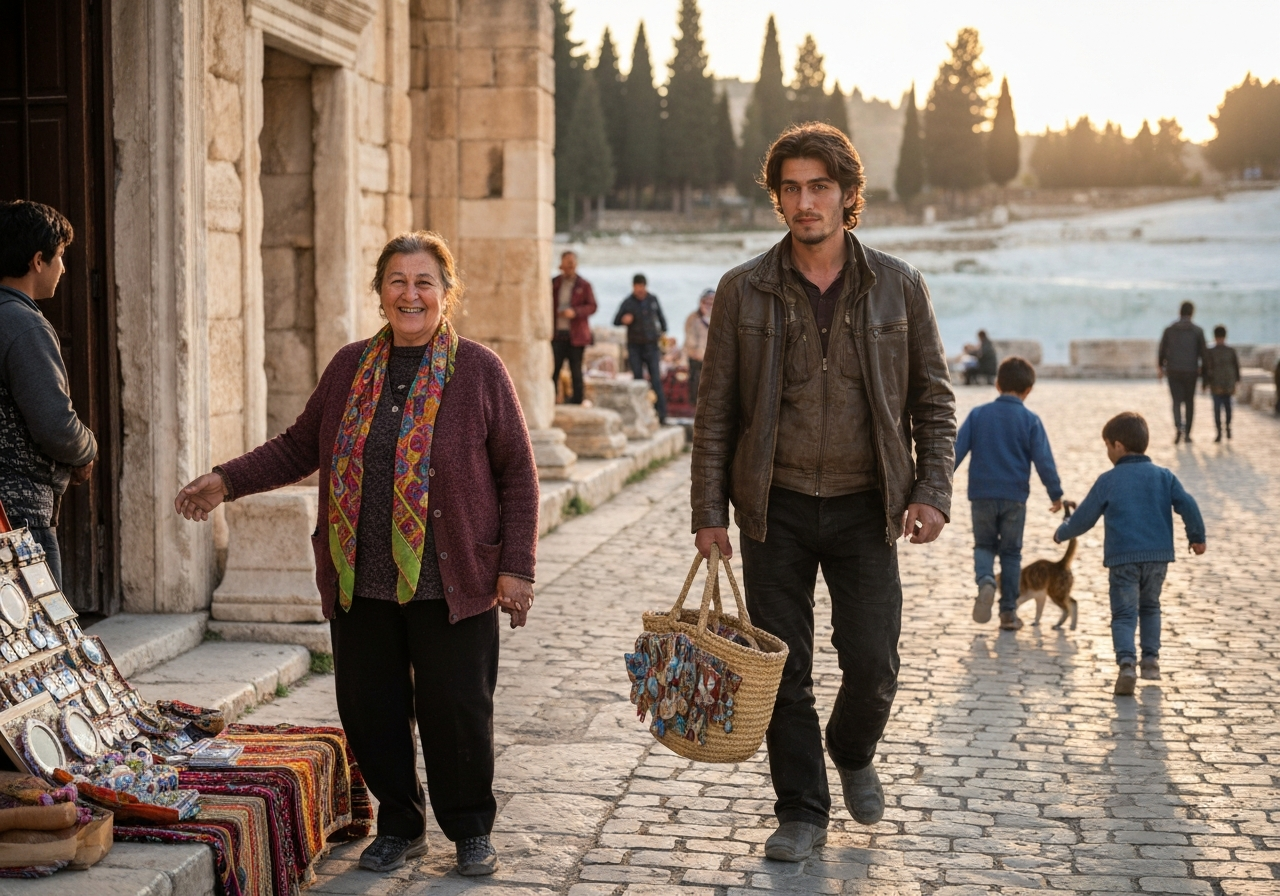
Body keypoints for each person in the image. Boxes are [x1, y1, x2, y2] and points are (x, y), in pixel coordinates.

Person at [174, 232, 538, 877]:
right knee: (371, 711)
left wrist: (515, 568)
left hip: (451, 580)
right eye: (397, 281)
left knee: (457, 712)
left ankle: (470, 830)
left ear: (447, 293)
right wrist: (226, 481)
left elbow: (518, 475)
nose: (410, 294)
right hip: (360, 578)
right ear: (379, 292)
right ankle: (399, 824)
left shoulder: (479, 370)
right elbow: (298, 446)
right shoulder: (349, 368)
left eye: (424, 282)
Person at [691, 123, 955, 861]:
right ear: (778, 199)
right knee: (784, 668)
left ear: (847, 194)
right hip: (771, 509)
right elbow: (715, 412)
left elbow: (934, 400)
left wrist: (932, 489)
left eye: (819, 187)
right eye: (791, 189)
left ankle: (852, 746)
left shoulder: (899, 286)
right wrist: (709, 513)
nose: (805, 202)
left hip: (867, 506)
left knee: (873, 661)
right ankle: (802, 811)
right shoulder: (742, 289)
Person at [1053, 412, 1205, 695]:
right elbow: (1188, 504)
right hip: (1158, 557)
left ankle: (1126, 664)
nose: (1108, 452)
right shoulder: (1164, 476)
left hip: (1123, 559)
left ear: (1118, 445)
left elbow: (1085, 517)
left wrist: (1062, 532)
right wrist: (1197, 538)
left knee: (1123, 613)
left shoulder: (1108, 480)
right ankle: (1151, 661)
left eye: (1107, 446)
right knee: (1151, 606)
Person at [0, 200, 97, 587]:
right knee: (36, 623)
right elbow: (55, 426)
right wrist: (87, 450)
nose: (63, 268)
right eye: (59, 257)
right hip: (18, 517)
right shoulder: (23, 325)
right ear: (38, 261)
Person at [954, 357, 1064, 631]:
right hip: (1015, 498)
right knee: (1011, 553)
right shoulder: (1030, 420)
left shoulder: (978, 415)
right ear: (1028, 390)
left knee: (983, 545)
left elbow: (955, 452)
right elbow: (1044, 461)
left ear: (997, 384)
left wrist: (937, 483)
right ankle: (1008, 613)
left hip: (981, 495)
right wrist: (1055, 494)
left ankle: (986, 581)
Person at [614, 274, 669, 423]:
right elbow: (616, 320)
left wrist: (663, 336)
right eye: (636, 287)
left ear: (645, 286)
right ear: (633, 287)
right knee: (637, 380)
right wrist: (624, 320)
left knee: (656, 380)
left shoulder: (652, 300)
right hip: (635, 346)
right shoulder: (628, 302)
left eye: (641, 286)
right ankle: (639, 416)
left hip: (651, 345)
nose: (639, 289)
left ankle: (662, 415)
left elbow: (662, 320)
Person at [550, 250, 597, 404]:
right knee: (553, 369)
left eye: (572, 263)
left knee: (576, 370)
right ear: (561, 265)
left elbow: (592, 306)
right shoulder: (554, 283)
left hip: (576, 335)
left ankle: (577, 400)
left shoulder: (584, 285)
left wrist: (575, 312)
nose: (570, 266)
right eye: (567, 263)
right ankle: (552, 399)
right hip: (557, 333)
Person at [1158, 301, 1206, 443]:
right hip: (1191, 371)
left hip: (1173, 370)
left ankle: (1179, 426)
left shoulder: (1169, 329)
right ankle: (1188, 433)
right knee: (1190, 402)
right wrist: (1205, 375)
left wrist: (1161, 367)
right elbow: (1204, 354)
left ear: (1180, 312)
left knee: (1176, 401)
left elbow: (1162, 350)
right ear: (1192, 313)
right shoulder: (1197, 331)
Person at [1202, 325, 1240, 442]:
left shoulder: (1211, 351)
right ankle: (1223, 429)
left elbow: (1206, 369)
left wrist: (1205, 383)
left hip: (1218, 385)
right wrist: (1236, 381)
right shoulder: (1230, 350)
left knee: (1221, 409)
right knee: (1224, 408)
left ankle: (1223, 429)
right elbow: (1236, 367)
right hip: (1224, 384)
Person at [683, 288, 714, 404]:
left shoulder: (719, 318)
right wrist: (696, 352)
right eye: (707, 302)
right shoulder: (693, 318)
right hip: (696, 358)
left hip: (712, 359)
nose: (709, 305)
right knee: (696, 386)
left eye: (712, 303)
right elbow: (689, 338)